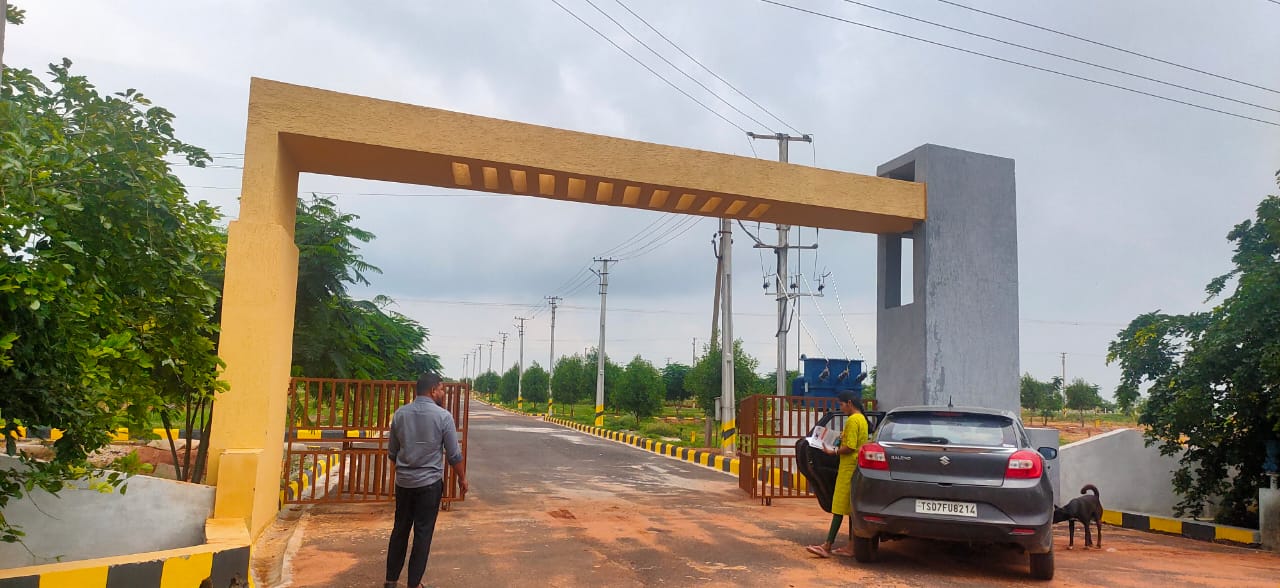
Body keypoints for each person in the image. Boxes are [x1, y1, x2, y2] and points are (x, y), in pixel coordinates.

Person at [385, 372, 469, 588]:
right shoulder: (443, 417)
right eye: (441, 389)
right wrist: (462, 479)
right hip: (429, 486)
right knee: (422, 534)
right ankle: (413, 584)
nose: (443, 393)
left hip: (404, 484)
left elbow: (392, 452)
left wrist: (403, 472)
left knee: (400, 530)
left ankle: (391, 581)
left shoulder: (400, 414)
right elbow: (454, 455)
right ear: (433, 391)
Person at [806, 390, 868, 558]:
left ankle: (827, 546)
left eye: (841, 404)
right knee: (850, 508)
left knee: (839, 507)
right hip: (855, 466)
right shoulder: (862, 419)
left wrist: (832, 451)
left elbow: (850, 446)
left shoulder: (853, 420)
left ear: (849, 403)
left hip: (848, 467)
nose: (841, 408)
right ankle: (851, 546)